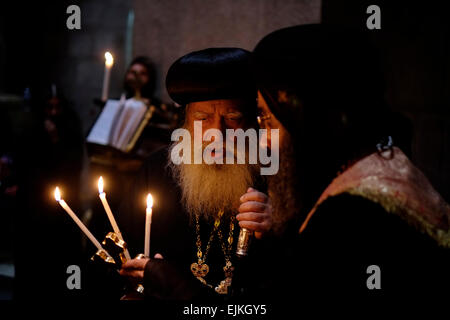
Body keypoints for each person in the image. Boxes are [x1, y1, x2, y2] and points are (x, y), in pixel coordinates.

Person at [251, 24, 450, 300]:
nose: (263, 142)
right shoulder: (383, 165)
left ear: (307, 115)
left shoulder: (350, 217)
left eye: (268, 119)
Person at [118, 48, 274, 301]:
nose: (217, 133)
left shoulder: (273, 172)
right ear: (186, 122)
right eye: (202, 118)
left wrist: (274, 228)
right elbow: (124, 250)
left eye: (233, 118)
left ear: (252, 123)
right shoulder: (156, 170)